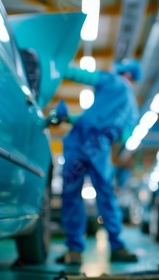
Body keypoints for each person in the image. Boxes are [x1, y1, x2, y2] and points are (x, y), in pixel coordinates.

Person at [54, 59, 142, 265]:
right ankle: (117, 246)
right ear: (133, 78)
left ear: (124, 72)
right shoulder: (133, 108)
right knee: (106, 195)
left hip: (78, 142)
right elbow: (123, 137)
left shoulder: (112, 80)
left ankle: (74, 250)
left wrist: (58, 66)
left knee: (71, 195)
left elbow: (83, 76)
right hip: (99, 146)